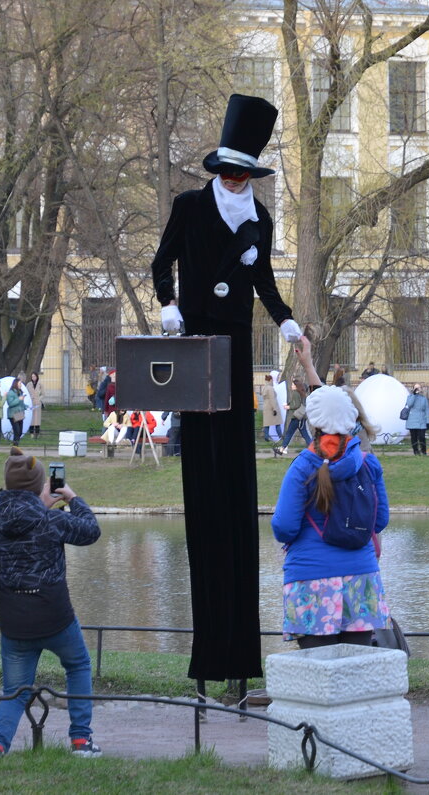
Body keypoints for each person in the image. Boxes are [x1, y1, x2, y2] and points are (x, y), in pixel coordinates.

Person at [150, 93, 300, 683]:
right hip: (194, 341)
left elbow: (261, 278)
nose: (236, 180)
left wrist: (285, 317)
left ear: (252, 173)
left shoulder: (260, 220)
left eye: (244, 173)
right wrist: (167, 305)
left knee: (234, 472)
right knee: (203, 466)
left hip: (235, 346)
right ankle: (209, 648)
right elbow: (161, 262)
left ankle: (241, 657)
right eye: (229, 171)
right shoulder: (189, 206)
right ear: (219, 170)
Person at [0, 447, 103, 760]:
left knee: (15, 691)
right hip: (54, 616)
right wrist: (72, 499)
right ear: (40, 486)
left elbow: (21, 522)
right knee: (78, 665)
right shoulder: (52, 521)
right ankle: (80, 741)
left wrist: (38, 504)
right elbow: (91, 531)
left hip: (15, 620)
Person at [270, 386, 390, 649]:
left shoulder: (303, 466)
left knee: (319, 676)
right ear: (351, 420)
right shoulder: (369, 464)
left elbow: (284, 527)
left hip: (310, 579)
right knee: (356, 669)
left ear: (313, 423)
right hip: (361, 577)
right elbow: (379, 521)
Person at [278, 379, 312, 455]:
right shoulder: (302, 393)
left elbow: (296, 405)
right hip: (301, 417)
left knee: (289, 433)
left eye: (293, 385)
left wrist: (288, 407)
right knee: (305, 434)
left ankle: (282, 449)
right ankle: (313, 448)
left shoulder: (295, 393)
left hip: (296, 417)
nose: (291, 386)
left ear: (296, 386)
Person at [404, 384, 429, 455]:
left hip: (421, 420)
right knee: (414, 437)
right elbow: (409, 404)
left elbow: (427, 410)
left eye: (418, 387)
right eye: (415, 388)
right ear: (413, 389)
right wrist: (414, 395)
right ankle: (415, 451)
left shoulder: (424, 398)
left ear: (421, 389)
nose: (417, 389)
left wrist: (428, 421)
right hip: (412, 420)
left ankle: (424, 451)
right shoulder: (409, 397)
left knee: (422, 437)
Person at [260, 373, 283, 445]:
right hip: (271, 407)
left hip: (266, 407)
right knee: (277, 423)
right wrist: (274, 409)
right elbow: (272, 398)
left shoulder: (264, 387)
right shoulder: (270, 388)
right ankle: (281, 437)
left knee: (267, 424)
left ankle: (266, 437)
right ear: (270, 380)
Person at [26, 372, 44, 438]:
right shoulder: (28, 384)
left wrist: (39, 399)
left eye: (34, 376)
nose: (33, 378)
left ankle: (37, 433)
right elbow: (26, 393)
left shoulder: (40, 384)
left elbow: (43, 394)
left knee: (37, 419)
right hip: (31, 403)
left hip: (37, 404)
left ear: (37, 377)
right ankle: (31, 433)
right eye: (32, 376)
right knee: (31, 419)